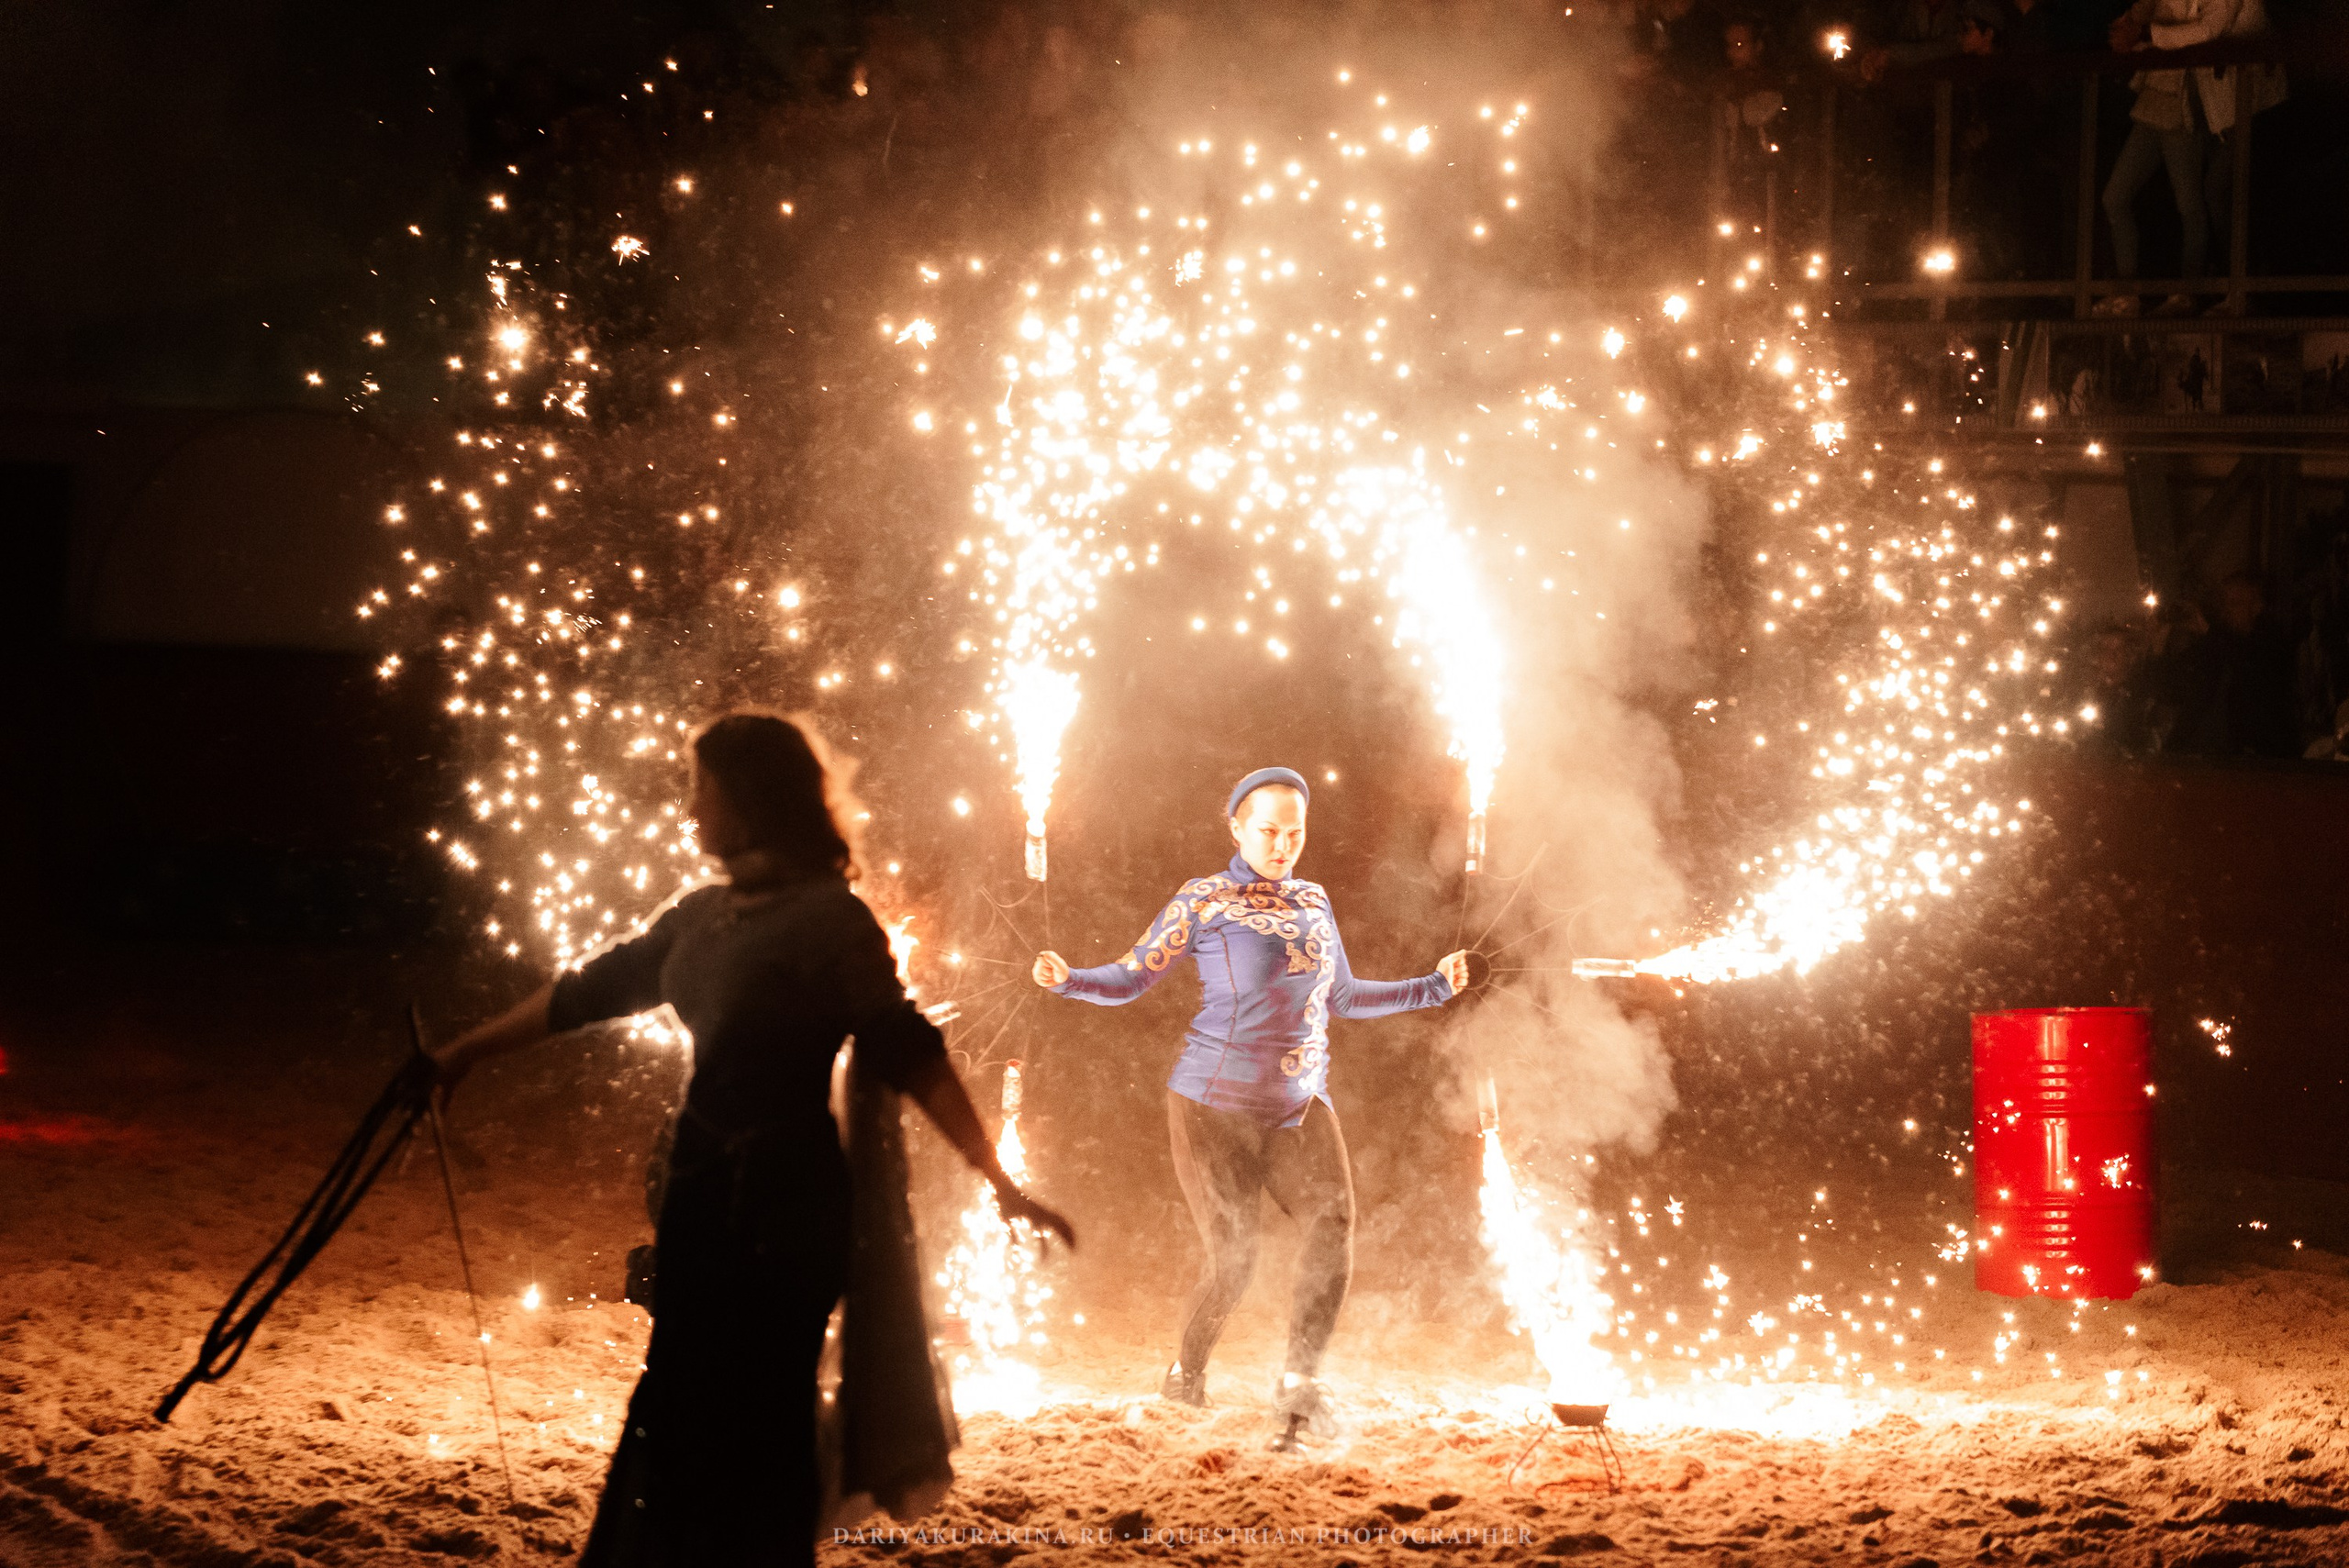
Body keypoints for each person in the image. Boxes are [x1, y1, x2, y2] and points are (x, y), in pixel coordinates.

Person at [429, 711, 1075, 1568]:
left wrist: (998, 1178)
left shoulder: (829, 924)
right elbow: (586, 991)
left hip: (786, 1210)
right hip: (698, 1197)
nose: (693, 812)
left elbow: (909, 1050)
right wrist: (463, 1053)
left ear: (753, 801)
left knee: (763, 1414)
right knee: (678, 1399)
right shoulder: (697, 918)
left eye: (706, 792)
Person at [1031, 767, 1469, 1452]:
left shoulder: (1314, 899)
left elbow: (1344, 997)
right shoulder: (1203, 900)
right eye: (1268, 829)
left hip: (1297, 1105)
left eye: (1295, 832)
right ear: (1235, 826)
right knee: (1235, 1258)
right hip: (1212, 1105)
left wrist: (1432, 987)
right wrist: (1072, 980)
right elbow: (1135, 973)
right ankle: (1185, 1373)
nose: (1283, 843)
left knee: (1335, 1223)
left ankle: (1299, 1382)